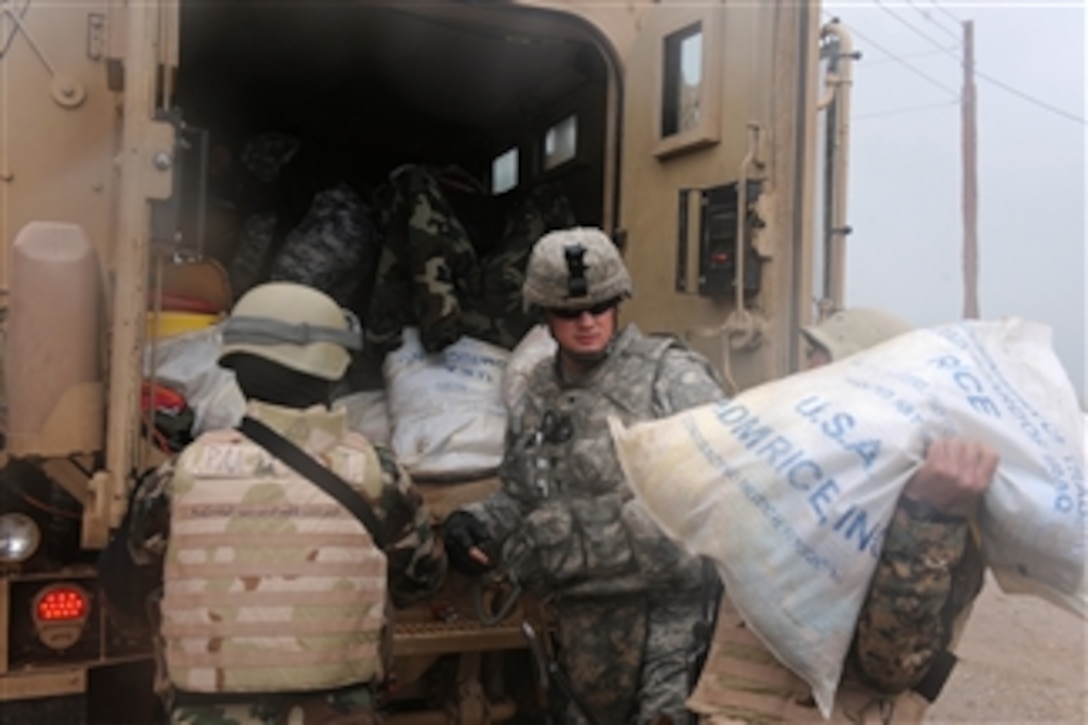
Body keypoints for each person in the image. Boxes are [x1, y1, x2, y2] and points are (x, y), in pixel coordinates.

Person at [102, 281, 446, 725]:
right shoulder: (379, 476)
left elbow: (129, 588)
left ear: (237, 370)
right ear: (335, 369)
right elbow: (422, 579)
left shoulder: (177, 478)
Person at [443, 227, 727, 724]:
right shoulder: (535, 394)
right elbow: (522, 493)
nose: (588, 322)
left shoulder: (669, 377)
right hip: (578, 617)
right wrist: (473, 521)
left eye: (601, 306)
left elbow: (732, 474)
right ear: (545, 315)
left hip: (668, 610)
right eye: (570, 312)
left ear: (619, 303)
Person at [687, 307, 997, 723]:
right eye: (813, 356)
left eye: (829, 363)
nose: (810, 371)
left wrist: (925, 516)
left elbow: (891, 666)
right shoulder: (802, 477)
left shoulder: (935, 504)